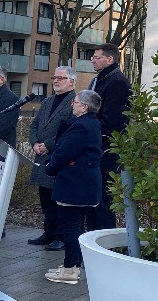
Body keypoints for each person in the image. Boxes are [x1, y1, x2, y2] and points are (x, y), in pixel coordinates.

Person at [44, 90, 103, 285]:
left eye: (75, 102)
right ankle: (72, 265)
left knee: (71, 227)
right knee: (76, 226)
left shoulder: (82, 126)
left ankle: (70, 269)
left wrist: (49, 167)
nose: (72, 104)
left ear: (84, 107)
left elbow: (64, 152)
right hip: (82, 183)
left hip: (75, 184)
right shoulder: (90, 123)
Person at [27, 66, 77, 251]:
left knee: (58, 199)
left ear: (71, 82)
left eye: (60, 78)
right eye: (54, 77)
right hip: (41, 156)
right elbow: (34, 125)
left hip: (58, 157)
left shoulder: (75, 102)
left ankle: (60, 237)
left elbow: (69, 130)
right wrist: (34, 143)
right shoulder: (48, 101)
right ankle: (48, 233)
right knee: (45, 197)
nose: (55, 81)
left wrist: (47, 145)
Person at [86, 43, 132, 231]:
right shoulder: (99, 80)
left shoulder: (117, 83)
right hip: (93, 151)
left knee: (103, 204)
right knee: (92, 203)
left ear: (110, 59)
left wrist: (85, 130)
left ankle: (104, 247)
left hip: (105, 154)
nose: (92, 61)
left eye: (96, 58)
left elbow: (112, 123)